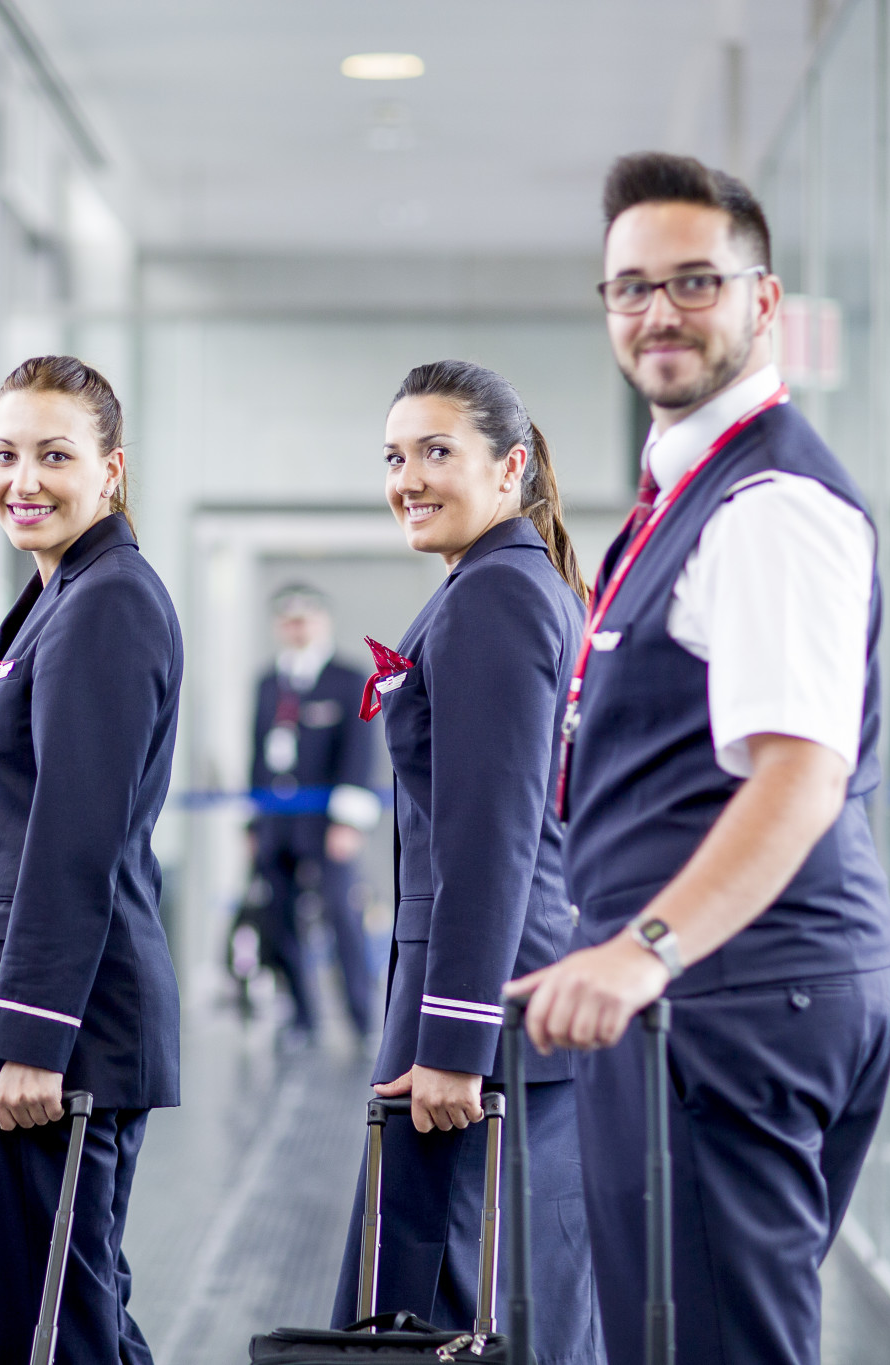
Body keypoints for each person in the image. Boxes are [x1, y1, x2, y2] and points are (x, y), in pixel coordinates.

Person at [508, 152, 890, 1365]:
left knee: (710, 1345)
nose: (657, 313)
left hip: (728, 993)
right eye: (629, 288)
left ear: (762, 301)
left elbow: (799, 771)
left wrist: (642, 947)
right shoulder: (686, 493)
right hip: (715, 990)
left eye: (692, 282)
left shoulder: (767, 504)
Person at [329, 361, 601, 1364]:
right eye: (395, 456)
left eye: (437, 452)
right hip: (496, 998)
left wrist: (452, 1041)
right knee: (513, 1301)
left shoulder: (495, 596)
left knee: (445, 1315)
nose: (407, 477)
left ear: (510, 466)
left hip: (478, 1018)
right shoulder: (503, 584)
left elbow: (492, 835)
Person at [0, 355, 182, 1365]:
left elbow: (75, 834)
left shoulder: (105, 600)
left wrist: (31, 1035)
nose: (22, 479)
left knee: (54, 1329)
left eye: (53, 456)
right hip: (53, 1021)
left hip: (60, 1035)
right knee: (70, 1315)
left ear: (110, 471)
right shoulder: (60, 594)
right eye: (3, 454)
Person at [246, 584, 380, 1044]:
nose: (296, 628)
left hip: (326, 824)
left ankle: (360, 1017)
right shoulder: (269, 682)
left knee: (341, 917)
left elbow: (359, 754)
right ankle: (302, 1017)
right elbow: (257, 756)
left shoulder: (347, 678)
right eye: (288, 619)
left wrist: (348, 822)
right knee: (279, 918)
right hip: (277, 822)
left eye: (305, 619)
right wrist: (253, 822)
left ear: (323, 622)